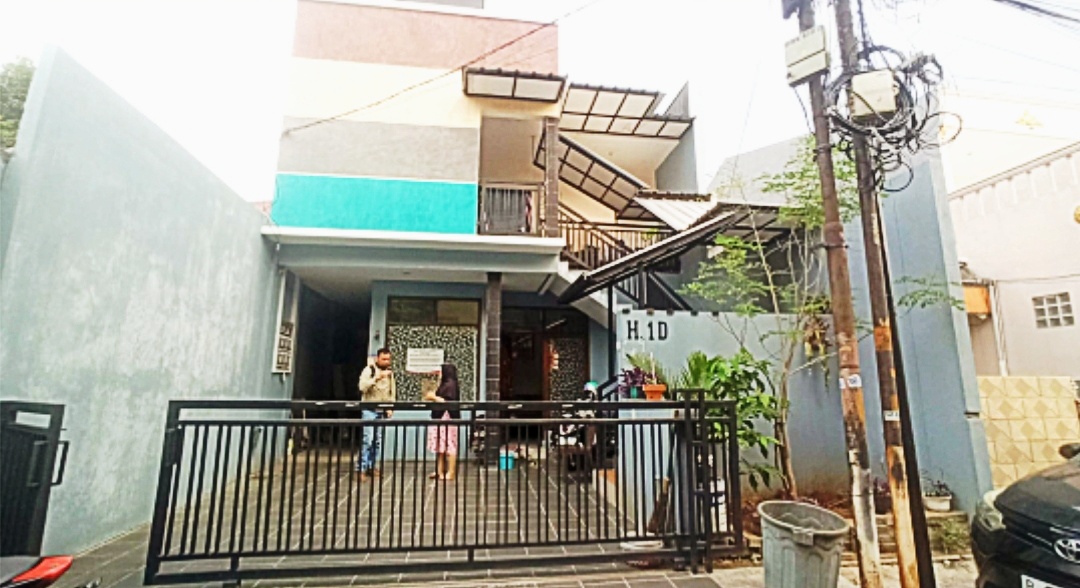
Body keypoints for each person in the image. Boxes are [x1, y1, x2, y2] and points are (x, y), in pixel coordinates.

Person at [357, 347, 395, 479]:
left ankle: (371, 466)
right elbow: (362, 387)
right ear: (377, 358)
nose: (386, 362)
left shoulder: (390, 373)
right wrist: (376, 378)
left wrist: (390, 407)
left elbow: (391, 391)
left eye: (388, 359)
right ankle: (361, 468)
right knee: (368, 440)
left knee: (377, 441)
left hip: (381, 411)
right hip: (369, 409)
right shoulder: (369, 370)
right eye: (384, 359)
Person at [424, 363, 460, 481]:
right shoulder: (444, 384)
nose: (439, 374)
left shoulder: (450, 385)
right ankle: (439, 470)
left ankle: (451, 472)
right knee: (440, 445)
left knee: (449, 444)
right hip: (440, 417)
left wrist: (433, 397)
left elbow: (447, 402)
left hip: (446, 417)